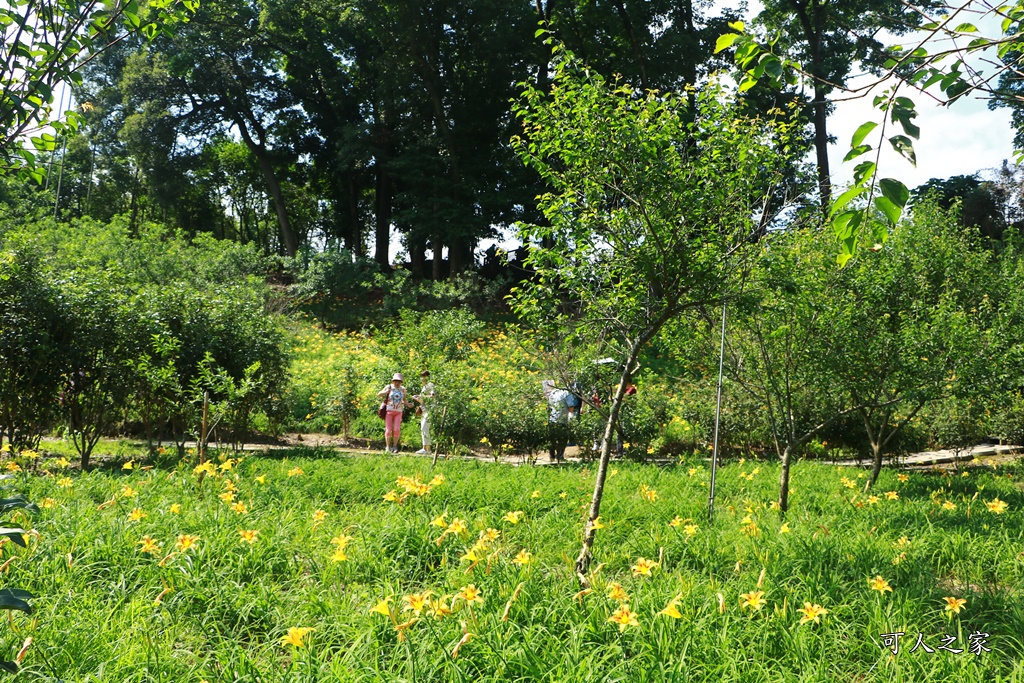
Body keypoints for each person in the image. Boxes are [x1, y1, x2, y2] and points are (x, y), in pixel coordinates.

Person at [377, 373, 412, 454]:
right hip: (389, 411)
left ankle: (395, 446)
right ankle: (387, 447)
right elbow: (379, 394)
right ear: (393, 381)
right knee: (388, 429)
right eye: (395, 381)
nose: (397, 383)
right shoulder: (389, 387)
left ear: (401, 382)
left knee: (396, 429)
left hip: (398, 411)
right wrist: (385, 392)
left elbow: (404, 400)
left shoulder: (403, 389)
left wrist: (408, 405)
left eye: (399, 381)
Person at [542, 379, 570, 462]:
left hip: (552, 419)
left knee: (553, 439)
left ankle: (552, 456)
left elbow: (549, 406)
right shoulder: (566, 393)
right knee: (563, 438)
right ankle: (560, 456)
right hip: (562, 420)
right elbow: (571, 408)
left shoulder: (553, 393)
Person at [412, 370, 436, 455]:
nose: (422, 378)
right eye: (421, 377)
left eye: (424, 376)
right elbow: (423, 399)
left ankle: (427, 449)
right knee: (423, 428)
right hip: (424, 409)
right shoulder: (424, 387)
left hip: (429, 410)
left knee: (425, 428)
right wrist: (418, 398)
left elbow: (433, 396)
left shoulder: (430, 385)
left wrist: (421, 397)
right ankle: (425, 448)